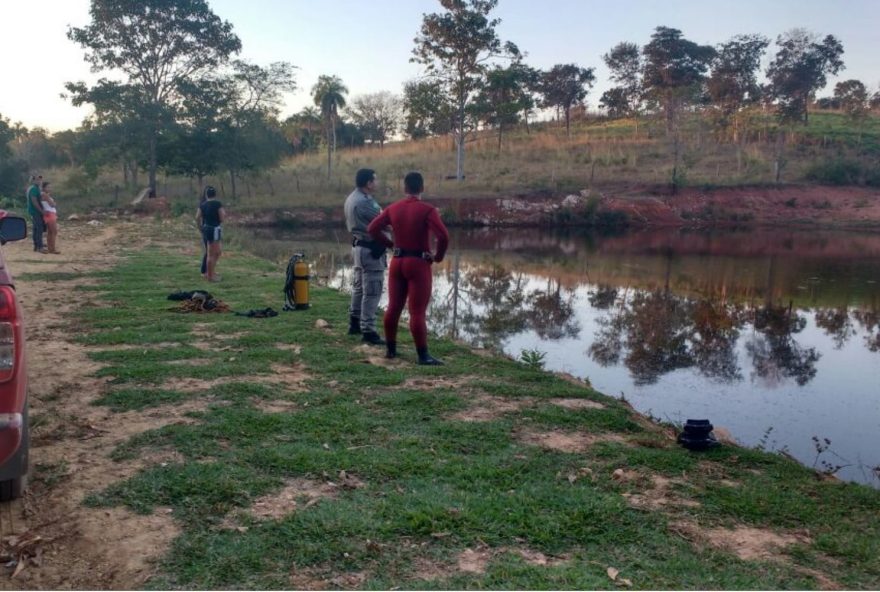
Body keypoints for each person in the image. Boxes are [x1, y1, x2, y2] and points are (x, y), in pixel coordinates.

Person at [367, 171, 449, 365]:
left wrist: (389, 245)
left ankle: (391, 350)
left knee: (393, 307)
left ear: (405, 188)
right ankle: (423, 355)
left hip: (397, 262)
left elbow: (372, 229)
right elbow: (444, 237)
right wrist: (437, 257)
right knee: (417, 312)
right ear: (421, 188)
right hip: (418, 264)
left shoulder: (393, 208)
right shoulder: (427, 210)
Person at [344, 168, 387, 345]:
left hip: (359, 247)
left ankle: (355, 322)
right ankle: (368, 330)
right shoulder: (364, 202)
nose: (377, 183)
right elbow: (385, 219)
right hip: (370, 249)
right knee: (372, 290)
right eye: (375, 180)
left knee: (359, 287)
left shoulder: (352, 197)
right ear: (368, 183)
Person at [195, 186, 224, 282]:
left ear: (207, 195)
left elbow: (197, 217)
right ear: (215, 194)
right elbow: (222, 218)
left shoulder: (202, 205)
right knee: (211, 254)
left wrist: (200, 227)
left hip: (207, 228)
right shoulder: (217, 204)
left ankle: (211, 271)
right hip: (214, 229)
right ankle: (209, 276)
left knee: (218, 252)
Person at [25, 175, 47, 253]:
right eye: (37, 180)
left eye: (40, 180)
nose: (39, 181)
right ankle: (39, 247)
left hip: (34, 211)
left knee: (36, 228)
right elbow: (35, 202)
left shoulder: (35, 188)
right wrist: (41, 211)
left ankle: (36, 246)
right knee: (39, 229)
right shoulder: (34, 189)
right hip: (35, 211)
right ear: (33, 181)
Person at [40, 181, 60, 254]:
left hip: (50, 214)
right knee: (54, 231)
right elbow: (52, 204)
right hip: (50, 214)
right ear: (43, 188)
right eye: (48, 187)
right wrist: (54, 203)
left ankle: (50, 248)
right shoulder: (45, 195)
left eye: (50, 187)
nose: (50, 188)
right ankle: (52, 249)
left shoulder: (45, 195)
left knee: (50, 232)